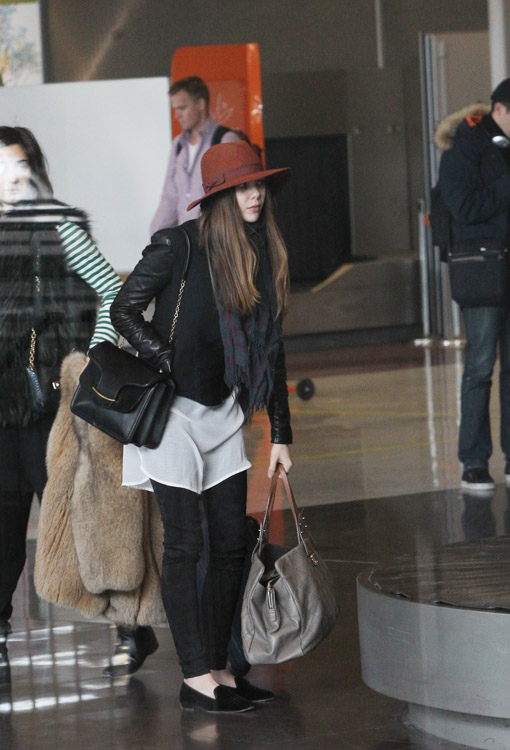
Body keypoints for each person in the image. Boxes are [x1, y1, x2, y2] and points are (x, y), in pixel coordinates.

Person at [110, 140, 293, 713]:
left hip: (223, 411)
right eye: (242, 186)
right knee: (187, 545)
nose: (255, 194)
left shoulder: (260, 253)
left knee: (232, 543)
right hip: (171, 416)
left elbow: (272, 350)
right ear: (218, 197)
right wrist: (161, 358)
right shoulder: (178, 247)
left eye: (258, 184)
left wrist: (282, 433)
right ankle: (194, 677)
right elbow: (123, 308)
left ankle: (219, 666)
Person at [0, 127, 156, 676]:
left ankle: (130, 630)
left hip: (56, 408)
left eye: (19, 170)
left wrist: (87, 362)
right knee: (1, 526)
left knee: (86, 520)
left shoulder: (59, 227)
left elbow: (111, 292)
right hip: (2, 409)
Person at [437, 78, 510, 491]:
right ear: (500, 110)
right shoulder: (465, 145)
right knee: (480, 366)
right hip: (483, 271)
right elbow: (463, 205)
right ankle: (474, 461)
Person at [150, 75, 240, 234]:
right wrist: (154, 242)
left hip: (218, 242)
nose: (177, 115)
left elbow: (237, 198)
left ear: (201, 104)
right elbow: (170, 198)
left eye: (182, 108)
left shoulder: (225, 140)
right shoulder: (178, 145)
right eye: (175, 109)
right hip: (189, 243)